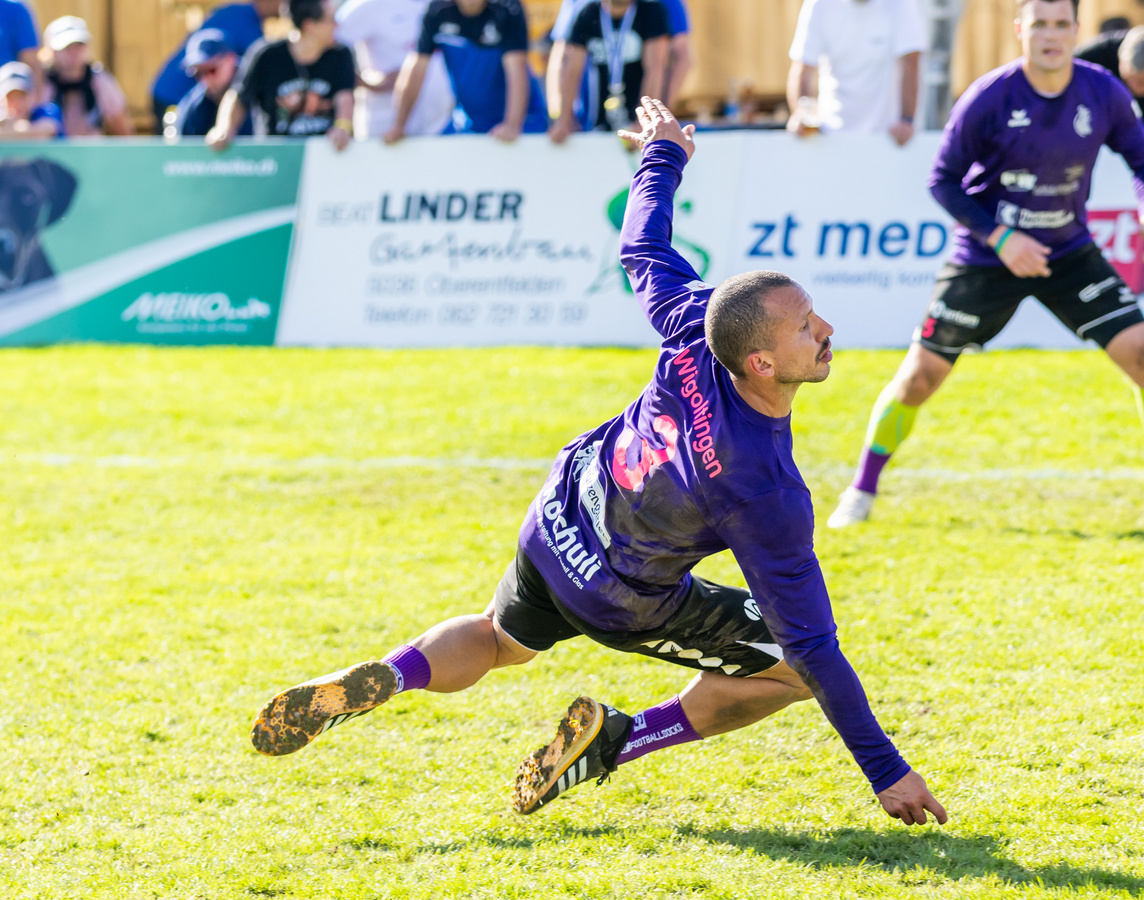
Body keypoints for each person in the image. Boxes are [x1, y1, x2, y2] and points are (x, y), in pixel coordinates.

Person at [249, 96, 949, 828]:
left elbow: (641, 248)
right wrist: (886, 769)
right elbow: (812, 646)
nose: (828, 329)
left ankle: (393, 675)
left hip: (558, 521)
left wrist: (663, 154)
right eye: (806, 327)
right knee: (793, 672)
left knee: (498, 639)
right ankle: (620, 738)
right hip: (618, 595)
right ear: (762, 362)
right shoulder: (762, 487)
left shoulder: (695, 328)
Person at [828, 0, 1144, 528]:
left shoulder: (1102, 91)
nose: (1051, 35)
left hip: (1068, 252)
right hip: (986, 256)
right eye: (1040, 24)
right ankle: (861, 490)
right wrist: (1002, 238)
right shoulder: (989, 96)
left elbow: (1142, 159)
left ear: (1075, 30)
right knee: (918, 378)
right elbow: (942, 180)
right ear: (1020, 29)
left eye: (1061, 24)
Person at [386, 0, 548, 143]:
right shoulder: (437, 9)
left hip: (523, 121)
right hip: (467, 121)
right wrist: (399, 125)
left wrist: (511, 125)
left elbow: (517, 68)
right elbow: (417, 66)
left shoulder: (508, 7)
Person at [206, 0, 355, 151]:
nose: (337, 26)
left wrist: (342, 128)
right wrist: (224, 129)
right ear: (309, 26)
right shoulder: (266, 55)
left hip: (323, 152)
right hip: (275, 155)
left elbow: (345, 97)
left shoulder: (340, 54)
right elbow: (238, 97)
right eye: (331, 20)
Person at [786, 0, 927, 146]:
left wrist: (906, 121)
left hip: (888, 139)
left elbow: (911, 62)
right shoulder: (818, 4)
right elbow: (803, 69)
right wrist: (803, 115)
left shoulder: (902, 3)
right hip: (830, 136)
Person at [548, 0, 693, 126]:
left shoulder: (652, 10)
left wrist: (649, 119)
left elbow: (658, 67)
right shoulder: (585, 11)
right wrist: (564, 118)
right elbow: (568, 64)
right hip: (591, 121)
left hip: (638, 119)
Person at [335, 0, 455, 140]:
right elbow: (328, 51)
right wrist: (370, 82)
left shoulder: (445, 4)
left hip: (440, 126)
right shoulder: (366, 5)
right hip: (386, 128)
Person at [150, 0, 279, 115]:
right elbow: (264, 65)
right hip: (176, 95)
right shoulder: (245, 21)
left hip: (176, 91)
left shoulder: (233, 11)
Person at [39, 17, 132, 137]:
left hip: (93, 148)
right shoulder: (41, 82)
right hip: (51, 148)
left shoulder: (100, 79)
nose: (74, 53)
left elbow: (122, 127)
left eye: (79, 46)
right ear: (52, 51)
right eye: (67, 47)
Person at [168, 30, 254, 138]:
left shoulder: (260, 90)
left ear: (230, 60)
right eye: (198, 73)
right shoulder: (194, 107)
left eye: (211, 70)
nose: (205, 79)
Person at [0, 61, 60, 140]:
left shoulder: (46, 112)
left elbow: (47, 130)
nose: (17, 103)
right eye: (10, 97)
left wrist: (15, 127)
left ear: (32, 96)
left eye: (21, 96)